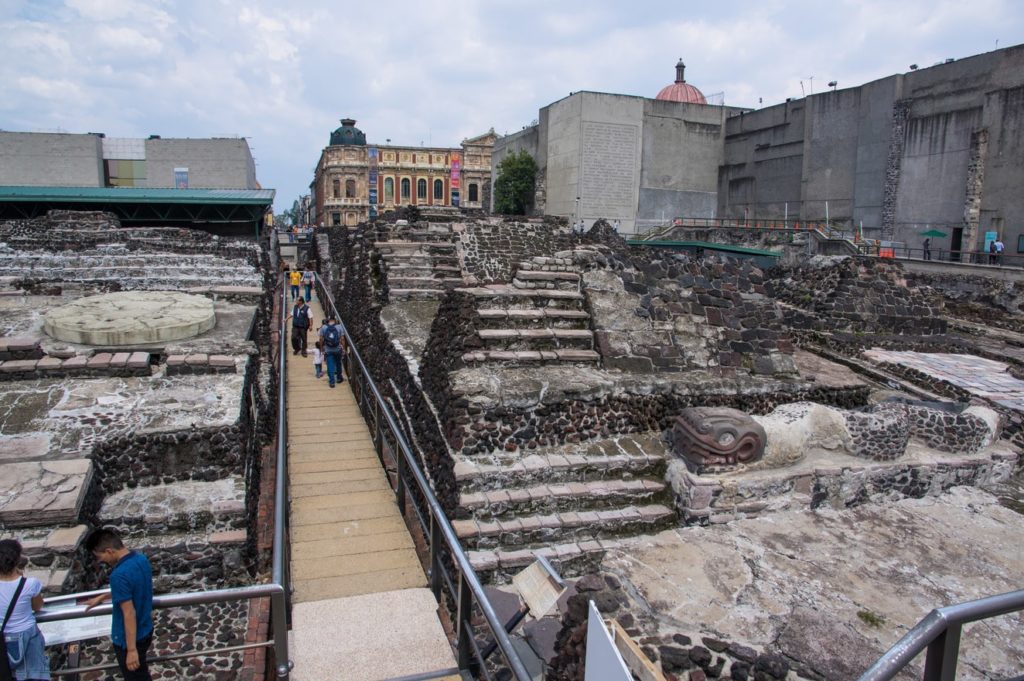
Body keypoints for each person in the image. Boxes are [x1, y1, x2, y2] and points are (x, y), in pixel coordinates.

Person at [84, 529, 153, 681]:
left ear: (109, 551)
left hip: (130, 638)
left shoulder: (118, 575)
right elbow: (133, 587)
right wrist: (104, 596)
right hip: (146, 629)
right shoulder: (140, 559)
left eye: (99, 556)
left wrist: (131, 650)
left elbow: (129, 613)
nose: (100, 560)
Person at [0, 539, 49, 681]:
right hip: (28, 635)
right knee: (34, 676)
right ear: (17, 560)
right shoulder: (30, 584)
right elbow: (37, 606)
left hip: (4, 638)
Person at [319, 315, 345, 388]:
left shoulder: (324, 327)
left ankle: (332, 382)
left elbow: (321, 339)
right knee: (338, 363)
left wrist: (321, 349)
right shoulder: (339, 327)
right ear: (335, 319)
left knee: (330, 365)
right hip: (337, 349)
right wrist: (344, 348)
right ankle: (339, 378)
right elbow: (342, 339)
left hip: (328, 349)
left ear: (328, 319)